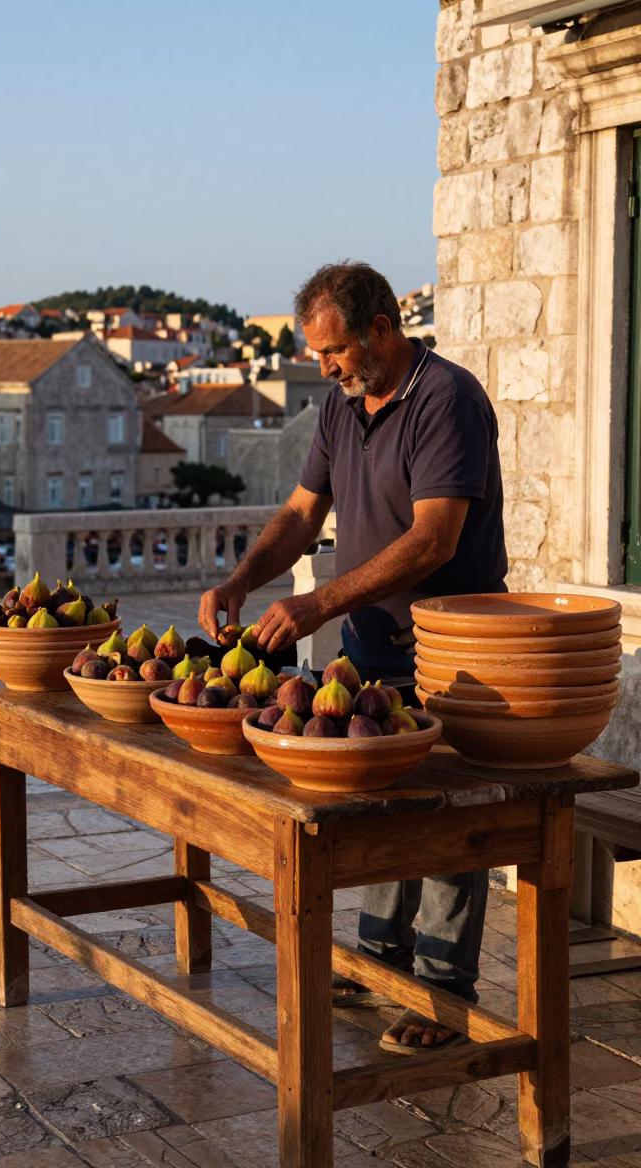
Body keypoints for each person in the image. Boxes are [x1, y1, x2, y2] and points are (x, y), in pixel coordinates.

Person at [199, 261, 507, 1053]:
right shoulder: (341, 407)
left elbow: (434, 538)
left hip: (449, 648)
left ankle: (443, 997)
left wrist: (316, 604)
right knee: (372, 809)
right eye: (318, 354)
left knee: (443, 826)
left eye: (335, 351)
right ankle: (377, 961)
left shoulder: (448, 399)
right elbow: (304, 514)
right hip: (368, 646)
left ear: (381, 329)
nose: (326, 367)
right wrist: (241, 580)